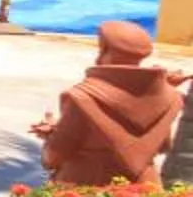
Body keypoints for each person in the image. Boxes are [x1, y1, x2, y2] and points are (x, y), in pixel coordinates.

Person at [34, 21, 184, 186]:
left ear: (104, 51)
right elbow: (161, 146)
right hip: (144, 189)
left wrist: (52, 135)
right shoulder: (171, 97)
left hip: (86, 188)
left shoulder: (83, 96)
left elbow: (54, 156)